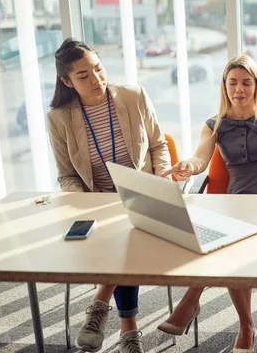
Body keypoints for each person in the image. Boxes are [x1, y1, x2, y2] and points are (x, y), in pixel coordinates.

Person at [157, 54, 257, 352]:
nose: (239, 89)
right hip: (236, 201)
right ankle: (244, 324)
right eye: (233, 83)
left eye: (246, 83)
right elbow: (200, 158)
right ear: (224, 86)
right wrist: (189, 166)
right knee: (230, 240)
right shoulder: (214, 124)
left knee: (230, 244)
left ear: (256, 86)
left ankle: (196, 301)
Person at [48, 38, 172, 353]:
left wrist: (159, 184)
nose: (96, 79)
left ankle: (101, 305)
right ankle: (128, 331)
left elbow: (158, 145)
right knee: (121, 233)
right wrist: (91, 202)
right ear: (67, 81)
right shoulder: (59, 118)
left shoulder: (134, 96)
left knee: (126, 230)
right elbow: (66, 175)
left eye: (99, 69)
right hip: (98, 201)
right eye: (83, 76)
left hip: (141, 192)